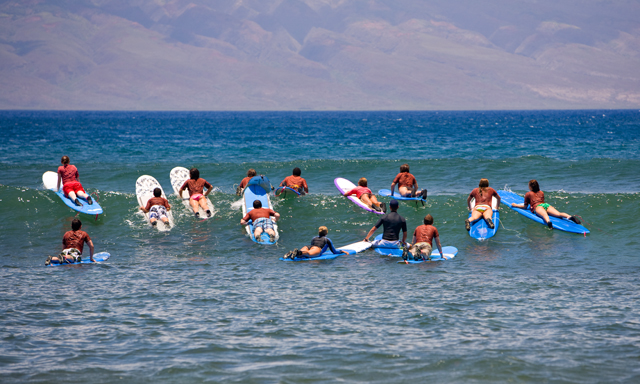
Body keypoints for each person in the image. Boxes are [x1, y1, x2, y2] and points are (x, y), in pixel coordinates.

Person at [510, 179, 581, 229]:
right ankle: (570, 217)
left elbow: (525, 207)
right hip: (546, 205)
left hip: (538, 206)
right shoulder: (541, 192)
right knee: (558, 214)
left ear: (530, 187)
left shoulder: (528, 194)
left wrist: (515, 205)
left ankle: (549, 223)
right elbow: (541, 201)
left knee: (544, 215)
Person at [283, 226, 348, 259]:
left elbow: (312, 247)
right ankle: (297, 252)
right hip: (317, 248)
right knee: (308, 254)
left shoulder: (314, 238)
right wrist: (342, 251)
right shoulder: (327, 240)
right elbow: (334, 252)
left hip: (308, 246)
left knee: (303, 254)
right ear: (326, 233)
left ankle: (293, 253)